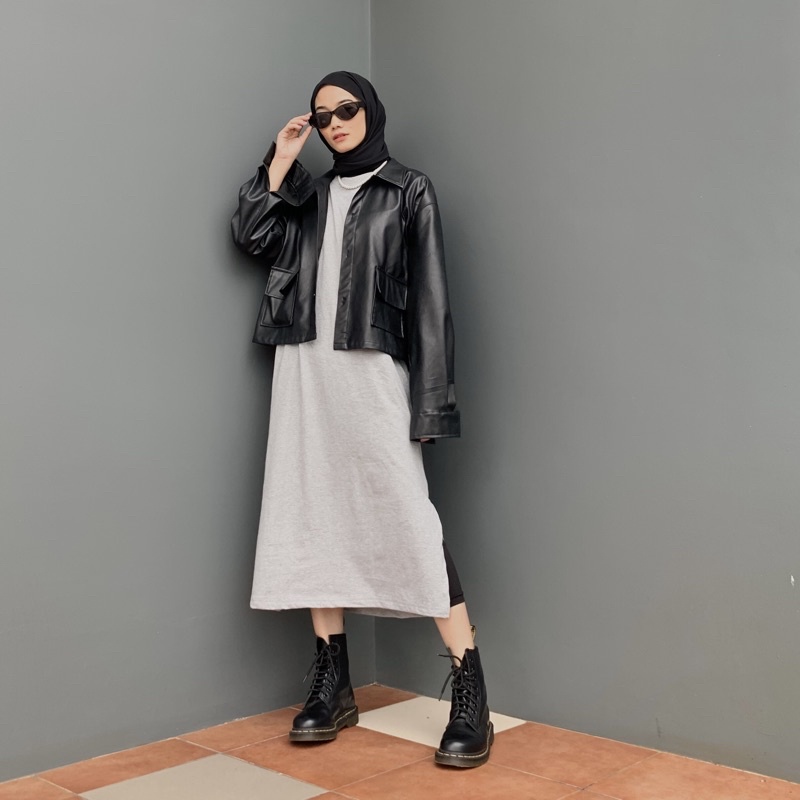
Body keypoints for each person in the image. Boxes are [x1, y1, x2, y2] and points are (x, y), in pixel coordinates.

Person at [230, 71, 492, 768]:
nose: (335, 123)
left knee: (409, 518)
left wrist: (430, 401)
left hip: (372, 371)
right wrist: (281, 159)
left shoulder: (408, 189)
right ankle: (333, 682)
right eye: (322, 117)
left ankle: (469, 688)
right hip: (304, 369)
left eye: (345, 109)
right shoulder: (308, 195)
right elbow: (249, 234)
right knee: (312, 511)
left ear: (370, 111)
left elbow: (432, 301)